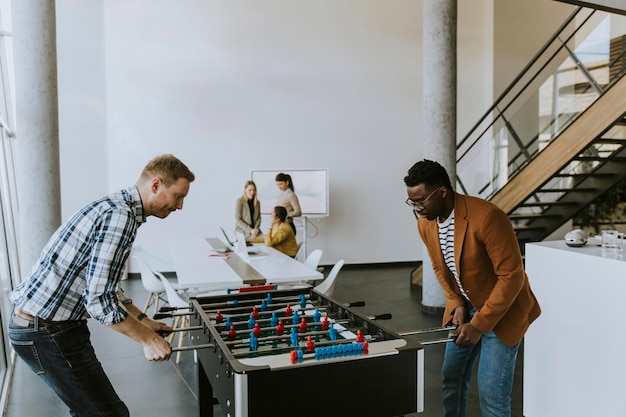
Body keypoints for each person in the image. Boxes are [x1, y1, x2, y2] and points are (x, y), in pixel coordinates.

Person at [9, 154, 195, 417]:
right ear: (156, 185)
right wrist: (147, 339)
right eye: (178, 196)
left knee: (94, 411)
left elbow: (109, 286)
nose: (180, 206)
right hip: (46, 331)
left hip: (50, 327)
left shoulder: (117, 208)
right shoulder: (120, 217)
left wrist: (144, 320)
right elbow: (97, 301)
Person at [403, 159, 541, 417]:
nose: (417, 208)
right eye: (412, 202)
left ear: (442, 192)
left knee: (492, 396)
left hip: (504, 311)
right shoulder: (425, 222)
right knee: (451, 379)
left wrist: (478, 325)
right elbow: (438, 267)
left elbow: (512, 277)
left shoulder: (488, 216)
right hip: (466, 306)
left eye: (421, 201)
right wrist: (455, 302)